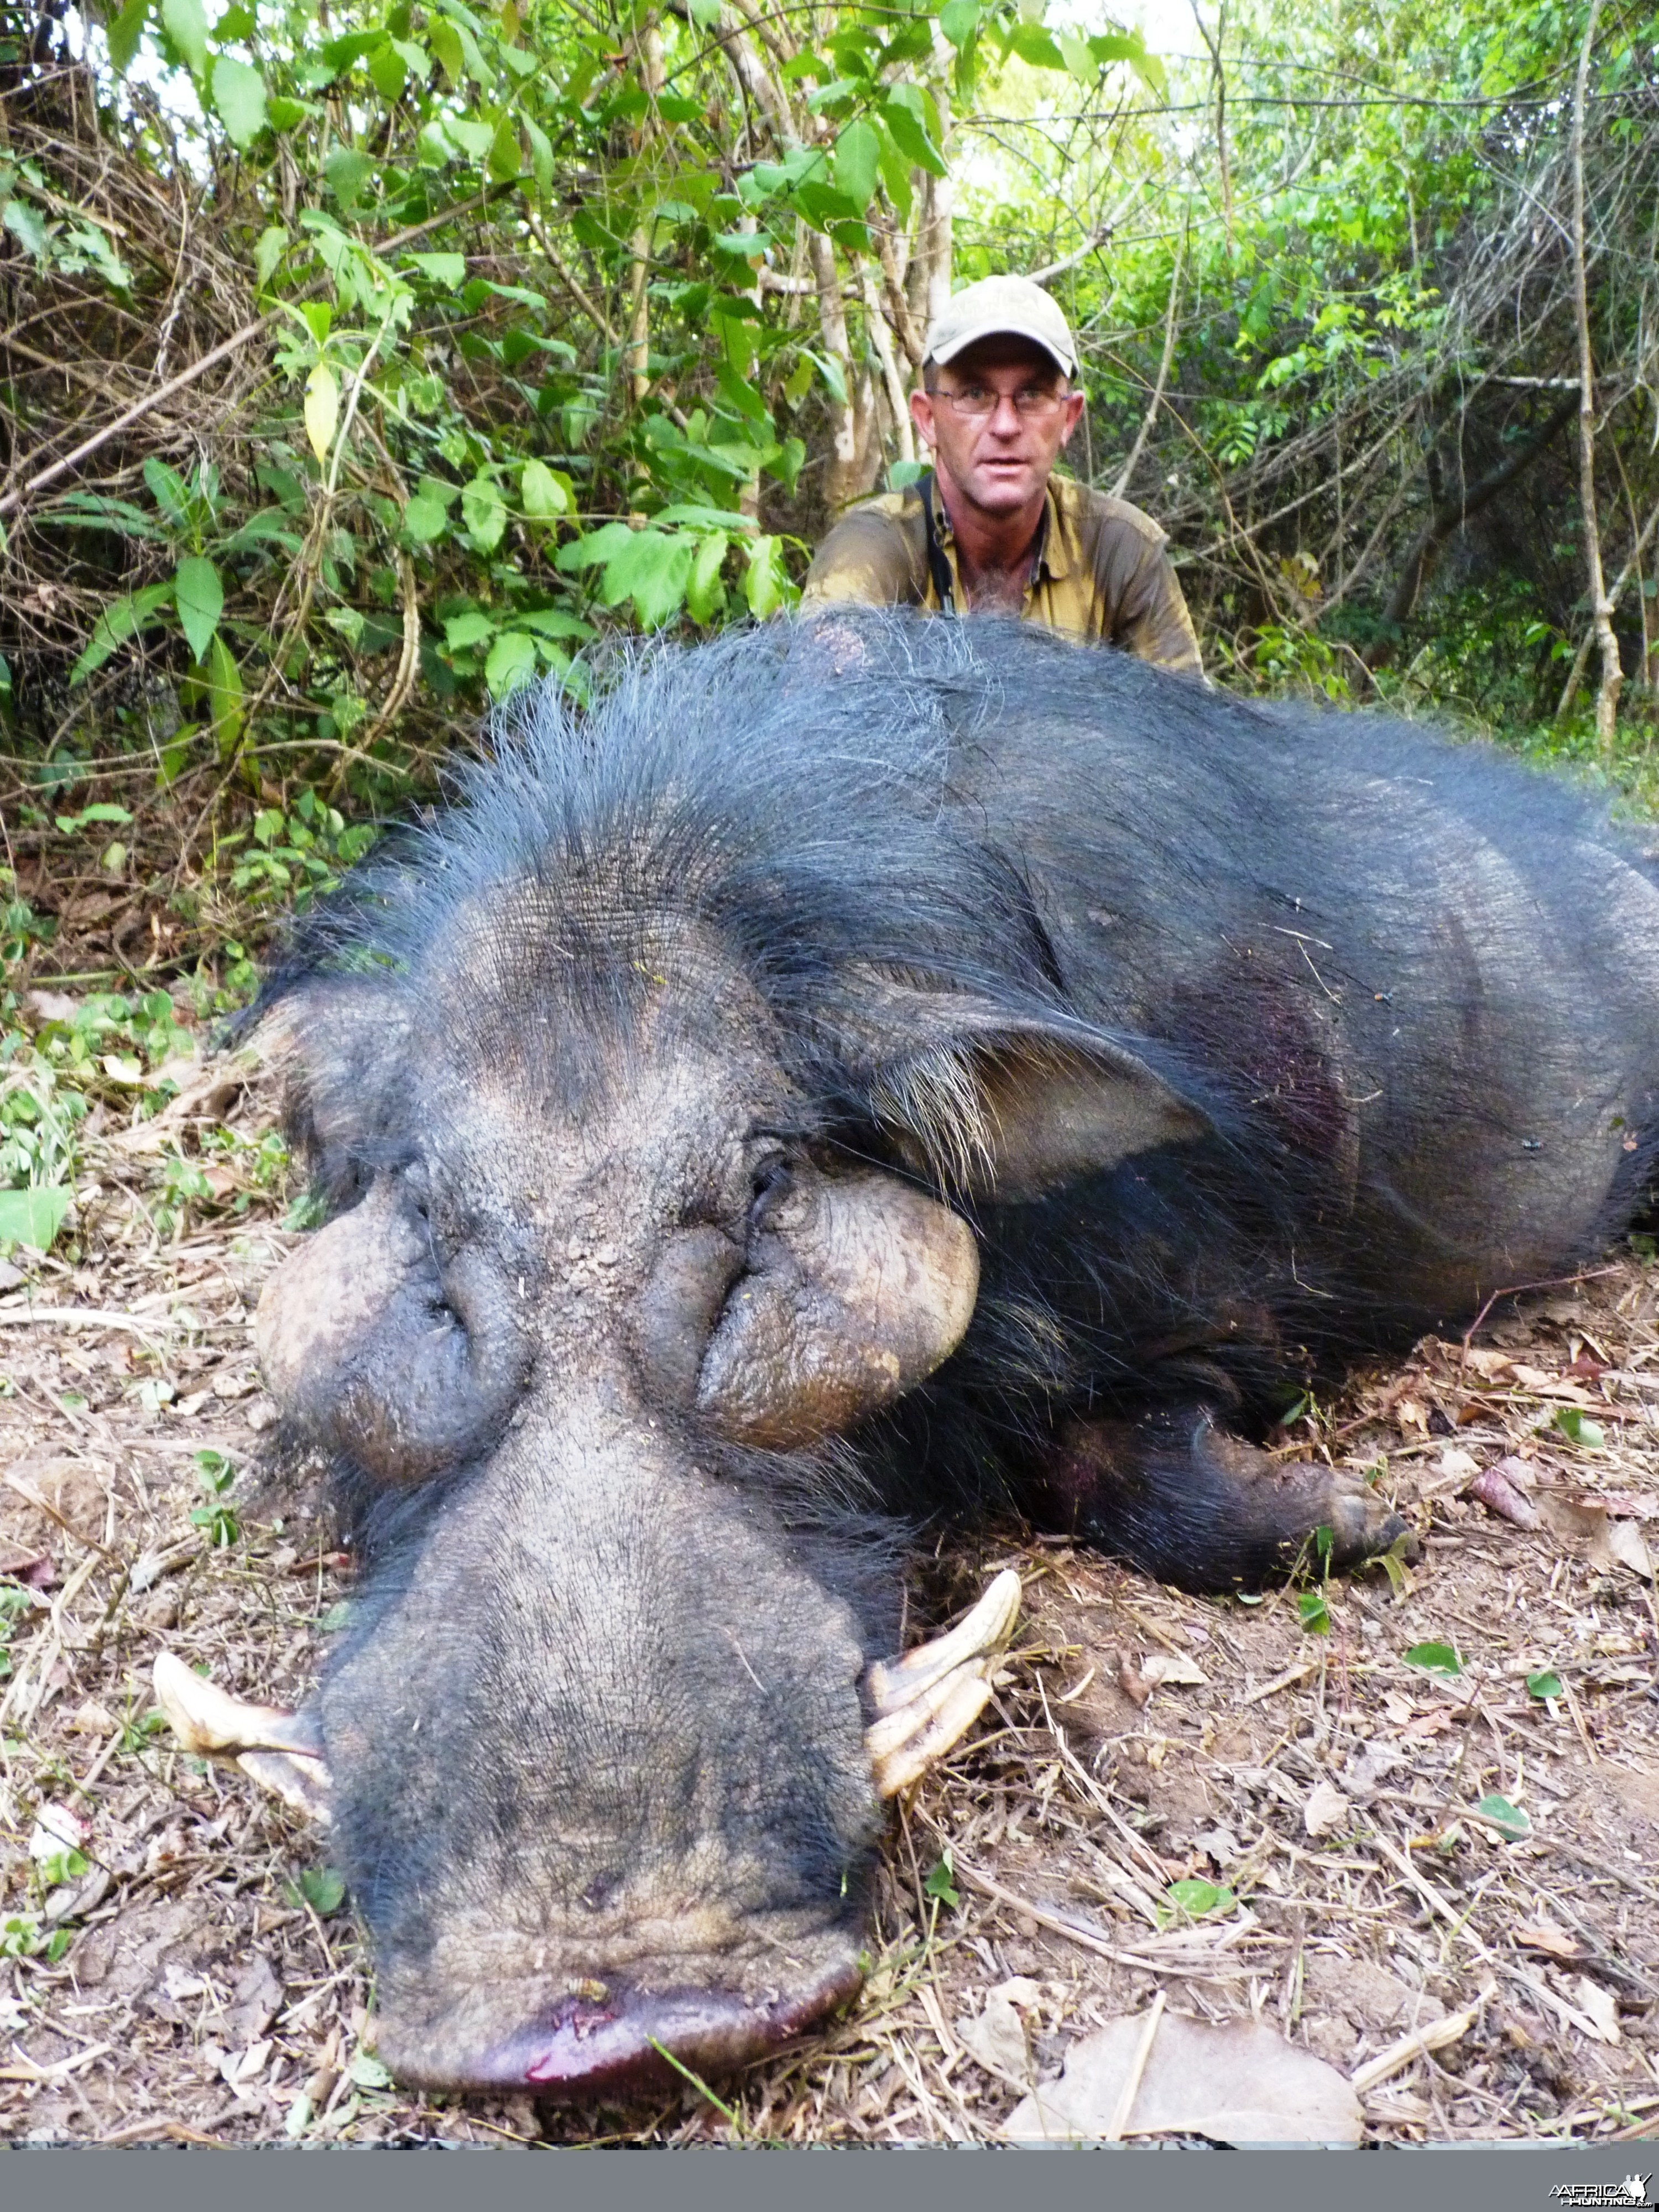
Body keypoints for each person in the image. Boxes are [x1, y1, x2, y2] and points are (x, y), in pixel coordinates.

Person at [801, 273, 1202, 676]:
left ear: (1069, 417)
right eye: (975, 394)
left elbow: (1184, 728)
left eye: (1032, 395)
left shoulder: (1121, 551)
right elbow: (826, 679)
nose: (1006, 426)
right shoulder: (875, 548)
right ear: (927, 419)